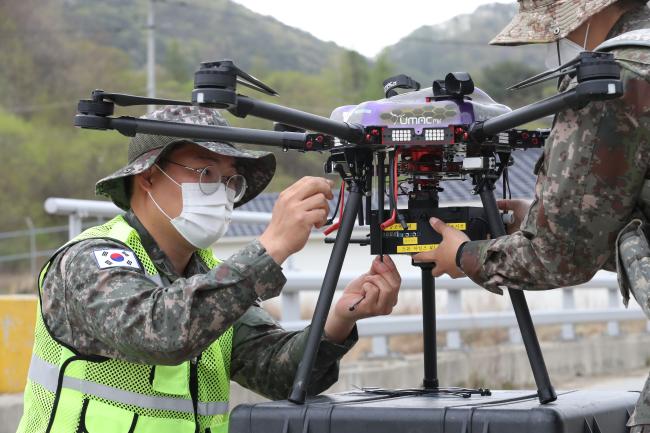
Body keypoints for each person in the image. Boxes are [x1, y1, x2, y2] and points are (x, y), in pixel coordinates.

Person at [17, 106, 401, 433]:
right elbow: (161, 334)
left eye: (228, 179)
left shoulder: (210, 277)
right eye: (205, 173)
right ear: (148, 176)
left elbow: (279, 374)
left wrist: (337, 321)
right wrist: (272, 247)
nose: (220, 190)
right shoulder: (91, 259)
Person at [412, 0, 650, 430]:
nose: (561, 43)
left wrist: (466, 255)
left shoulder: (612, 80)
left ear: (590, 13)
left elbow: (560, 255)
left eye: (561, 31)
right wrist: (541, 219)